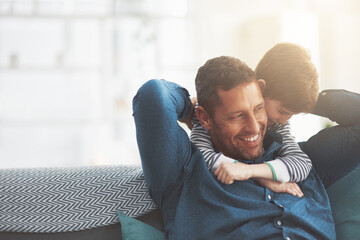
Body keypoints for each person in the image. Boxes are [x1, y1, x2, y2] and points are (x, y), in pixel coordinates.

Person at [133, 56, 360, 239]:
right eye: (238, 115)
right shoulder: (184, 171)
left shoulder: (301, 160)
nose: (253, 127)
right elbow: (153, 96)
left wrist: (296, 99)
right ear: (205, 118)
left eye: (259, 108)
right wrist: (189, 106)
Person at [188, 43, 318, 196]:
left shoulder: (277, 125)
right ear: (261, 89)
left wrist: (251, 172)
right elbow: (201, 156)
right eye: (282, 111)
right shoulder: (212, 117)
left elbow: (300, 164)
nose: (283, 121)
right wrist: (260, 178)